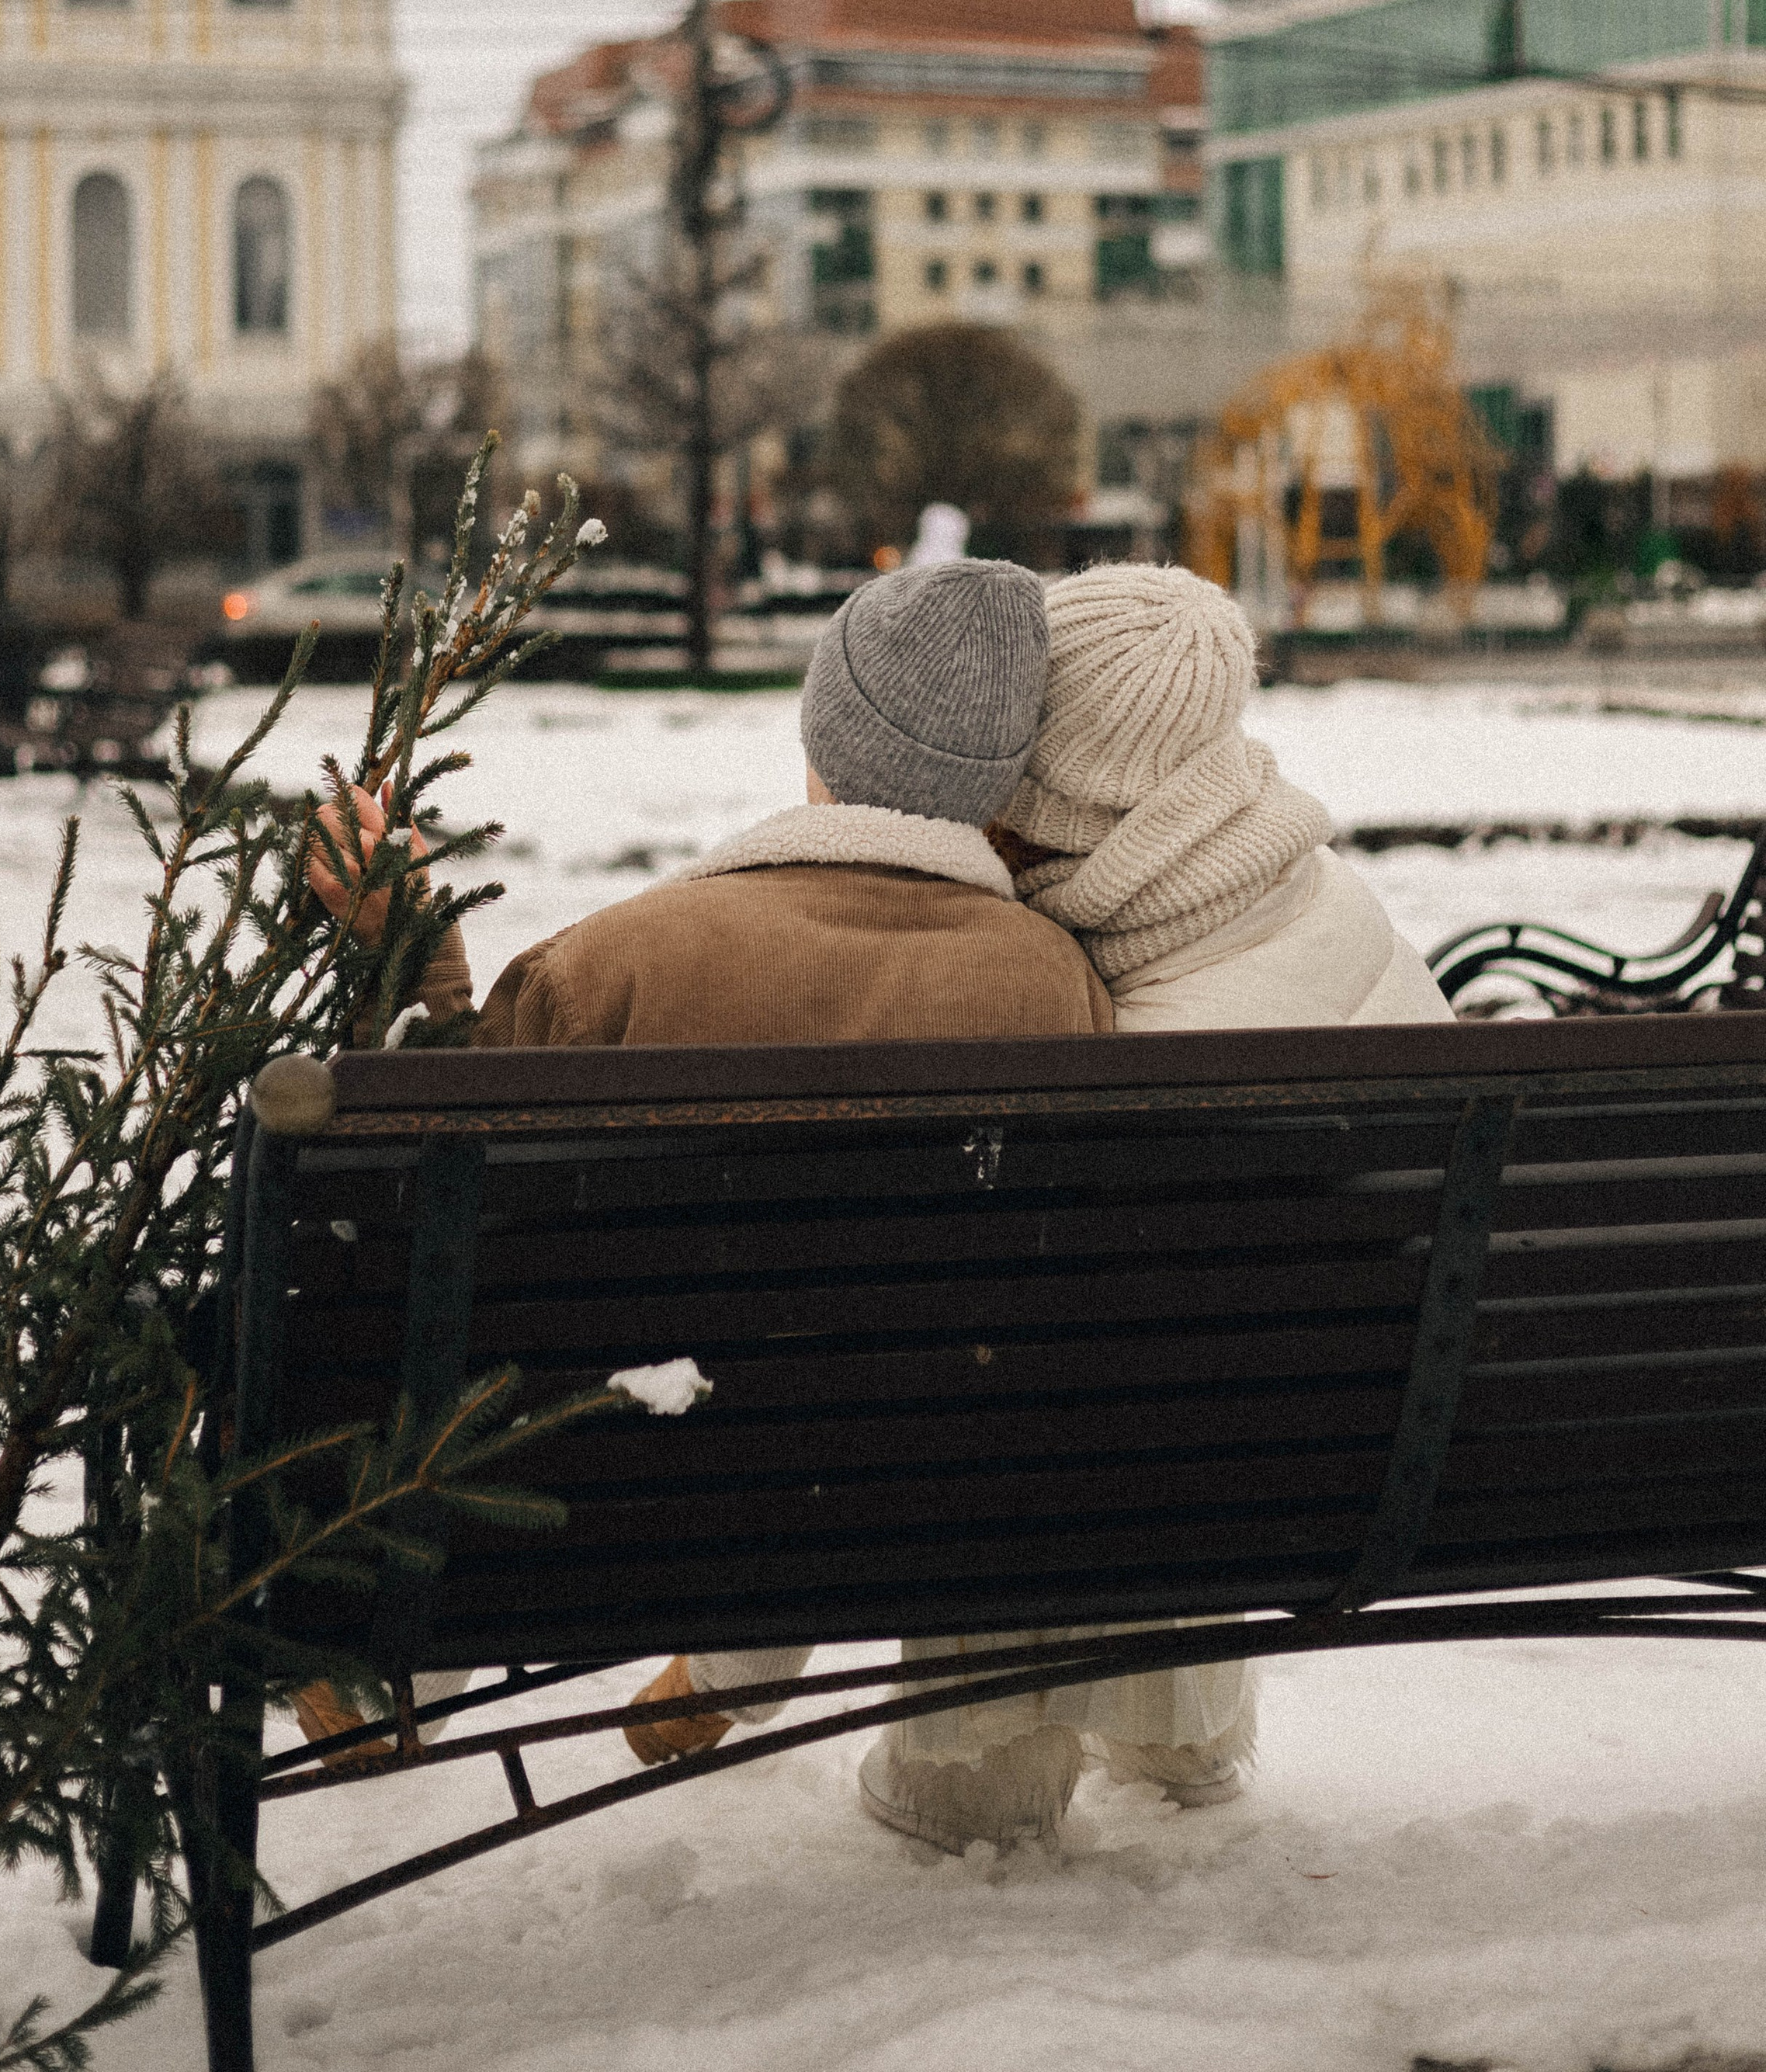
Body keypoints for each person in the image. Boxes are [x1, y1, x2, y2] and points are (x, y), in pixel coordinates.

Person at [300, 557, 1115, 1777]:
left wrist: (418, 968)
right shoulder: (1057, 984)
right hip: (928, 1499)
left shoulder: (617, 964)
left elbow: (427, 1220)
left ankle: (401, 1659)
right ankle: (735, 1662)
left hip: (608, 1502)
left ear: (822, 741)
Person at [862, 557, 1451, 1854]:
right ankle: (1177, 1734)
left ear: (1050, 773)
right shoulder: (1308, 886)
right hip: (1380, 1434)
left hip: (1179, 1457)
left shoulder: (1109, 1015)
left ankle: (976, 1777)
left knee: (1011, 1355)